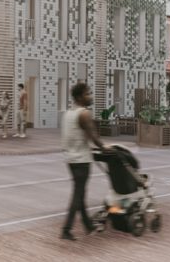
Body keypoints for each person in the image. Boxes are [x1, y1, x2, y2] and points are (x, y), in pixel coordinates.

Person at [61, 82, 105, 240]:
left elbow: (72, 136)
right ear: (80, 97)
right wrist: (106, 148)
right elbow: (94, 137)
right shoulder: (84, 114)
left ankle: (88, 225)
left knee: (80, 193)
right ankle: (66, 229)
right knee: (78, 194)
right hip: (82, 160)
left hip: (70, 159)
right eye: (88, 93)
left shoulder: (68, 114)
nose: (90, 96)